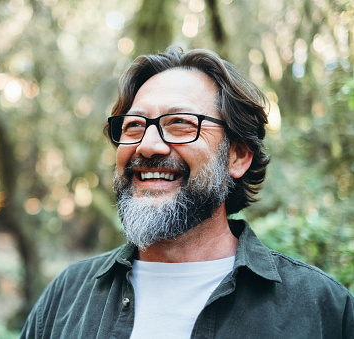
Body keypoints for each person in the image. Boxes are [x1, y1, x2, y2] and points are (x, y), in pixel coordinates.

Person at [20, 48, 354, 338]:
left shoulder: (324, 309)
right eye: (134, 125)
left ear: (237, 156)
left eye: (180, 123)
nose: (148, 145)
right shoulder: (67, 296)